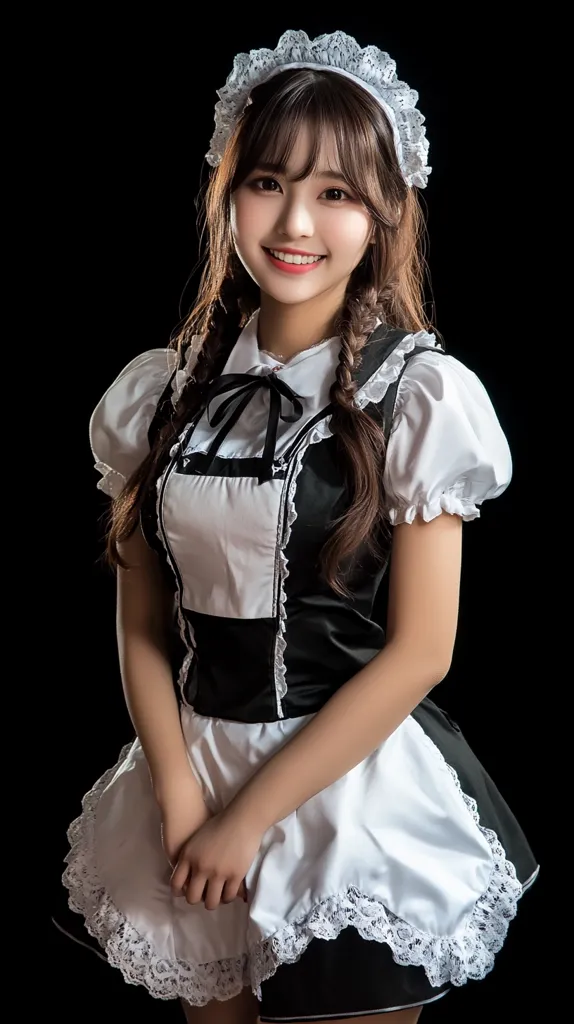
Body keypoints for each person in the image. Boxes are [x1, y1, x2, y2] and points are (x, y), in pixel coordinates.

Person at [58, 29, 538, 1024]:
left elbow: (421, 651)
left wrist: (249, 820)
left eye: (335, 193)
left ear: (381, 214)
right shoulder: (162, 392)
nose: (295, 220)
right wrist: (187, 802)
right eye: (269, 180)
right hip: (186, 773)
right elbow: (141, 620)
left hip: (346, 783)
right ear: (227, 191)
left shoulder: (417, 395)